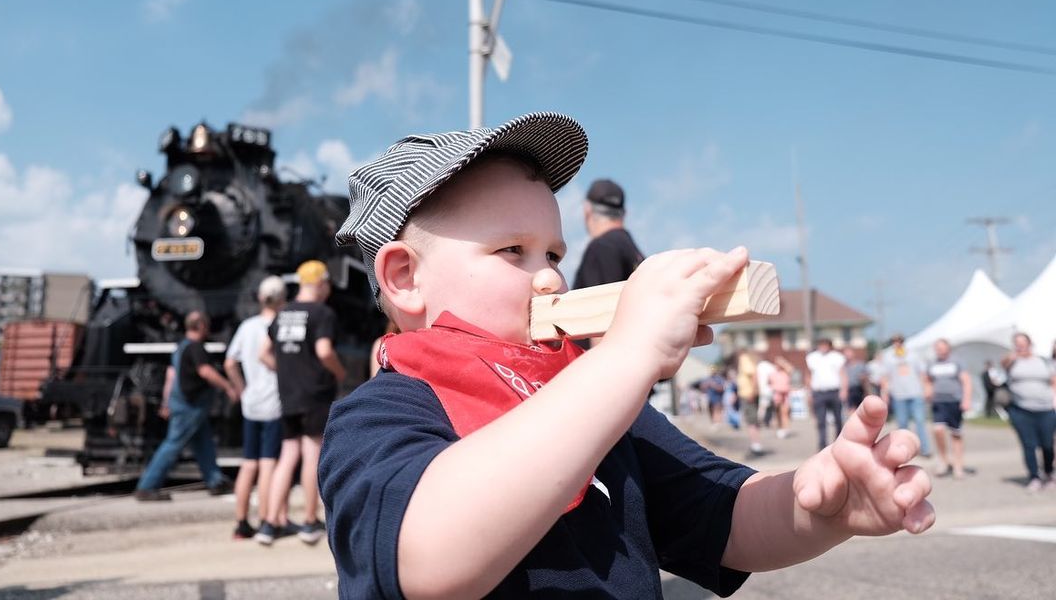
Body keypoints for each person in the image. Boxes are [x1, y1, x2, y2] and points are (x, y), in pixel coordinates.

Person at [318, 113, 934, 599]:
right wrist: (627, 355)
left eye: (554, 254)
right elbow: (427, 558)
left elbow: (723, 515)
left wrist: (817, 505)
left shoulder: (602, 402)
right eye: (513, 251)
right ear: (405, 278)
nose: (550, 279)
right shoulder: (380, 415)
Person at [254, 260, 346, 546]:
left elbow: (263, 353)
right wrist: (339, 372)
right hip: (315, 392)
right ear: (319, 284)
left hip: (288, 394)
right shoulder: (322, 313)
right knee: (312, 453)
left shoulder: (282, 314)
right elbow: (324, 350)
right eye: (326, 284)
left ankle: (269, 522)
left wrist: (284, 370)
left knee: (287, 455)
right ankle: (309, 519)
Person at [135, 311, 237, 501]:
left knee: (204, 444)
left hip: (185, 404)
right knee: (173, 444)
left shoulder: (180, 348)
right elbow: (205, 371)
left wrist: (166, 401)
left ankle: (215, 481)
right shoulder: (196, 348)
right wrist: (228, 386)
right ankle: (147, 486)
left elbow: (171, 376)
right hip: (190, 405)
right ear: (201, 326)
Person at [224, 276, 287, 539]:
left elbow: (229, 363)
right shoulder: (280, 325)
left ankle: (241, 522)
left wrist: (242, 389)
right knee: (268, 462)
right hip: (273, 400)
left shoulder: (247, 326)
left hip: (251, 402)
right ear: (282, 298)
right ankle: (265, 518)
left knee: (249, 462)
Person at [1000, 332, 1056, 492]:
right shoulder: (1012, 362)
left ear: (1030, 344)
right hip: (1021, 410)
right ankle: (1034, 477)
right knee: (1028, 444)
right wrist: (1012, 356)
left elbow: (1053, 381)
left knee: (1047, 444)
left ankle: (1049, 472)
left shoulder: (1043, 361)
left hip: (1046, 408)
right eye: (1017, 343)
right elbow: (1002, 365)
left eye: (1023, 343)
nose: (1021, 346)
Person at [923, 338, 972, 480]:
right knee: (937, 430)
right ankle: (943, 460)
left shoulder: (956, 362)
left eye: (942, 348)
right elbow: (927, 379)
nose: (940, 350)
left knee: (956, 434)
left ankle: (958, 465)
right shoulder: (932, 363)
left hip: (954, 400)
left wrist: (966, 399)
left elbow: (966, 381)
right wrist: (928, 390)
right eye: (937, 348)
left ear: (948, 348)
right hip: (938, 401)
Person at [880, 333, 932, 458]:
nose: (897, 343)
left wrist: (927, 388)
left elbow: (922, 373)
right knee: (902, 424)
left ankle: (925, 449)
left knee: (920, 421)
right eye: (895, 341)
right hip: (899, 394)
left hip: (915, 392)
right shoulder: (888, 357)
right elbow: (885, 377)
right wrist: (885, 394)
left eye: (899, 341)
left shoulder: (913, 355)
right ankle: (906, 450)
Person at [805, 338, 846, 450]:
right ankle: (822, 444)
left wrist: (844, 390)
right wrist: (809, 392)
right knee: (821, 420)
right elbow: (808, 375)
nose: (823, 347)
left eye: (825, 345)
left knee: (838, 419)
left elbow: (842, 374)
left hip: (834, 392)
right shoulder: (812, 358)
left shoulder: (837, 357)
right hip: (819, 392)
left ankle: (838, 442)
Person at [735, 350, 765, 456]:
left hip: (748, 395)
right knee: (752, 421)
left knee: (751, 421)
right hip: (749, 394)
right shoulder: (749, 359)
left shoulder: (744, 359)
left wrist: (752, 392)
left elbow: (753, 375)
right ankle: (755, 444)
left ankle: (756, 445)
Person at [770, 355, 793, 439]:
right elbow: (769, 383)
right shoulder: (773, 373)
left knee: (785, 412)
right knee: (778, 413)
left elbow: (790, 368)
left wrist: (782, 362)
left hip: (785, 394)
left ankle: (785, 428)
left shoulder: (785, 372)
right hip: (777, 394)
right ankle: (780, 428)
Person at [843, 347, 868, 413]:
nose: (847, 355)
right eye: (846, 353)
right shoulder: (844, 366)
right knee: (850, 409)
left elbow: (865, 378)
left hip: (859, 389)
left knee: (861, 408)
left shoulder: (860, 364)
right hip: (849, 390)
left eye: (849, 353)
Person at [756, 354, 777, 428]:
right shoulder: (771, 367)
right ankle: (767, 421)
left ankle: (759, 421)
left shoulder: (758, 366)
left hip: (761, 389)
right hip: (770, 390)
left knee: (762, 407)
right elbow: (773, 378)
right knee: (770, 407)